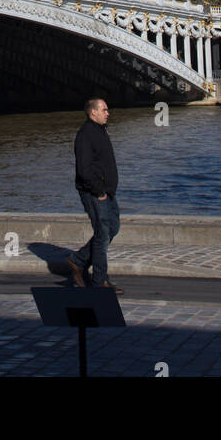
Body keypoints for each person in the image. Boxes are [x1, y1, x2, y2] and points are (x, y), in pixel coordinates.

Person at [67, 97, 123, 293]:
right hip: (94, 192)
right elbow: (84, 168)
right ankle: (100, 281)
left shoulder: (100, 130)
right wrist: (98, 190)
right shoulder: (85, 134)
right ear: (94, 112)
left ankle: (78, 260)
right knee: (102, 233)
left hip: (107, 192)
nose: (108, 113)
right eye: (105, 110)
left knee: (112, 228)